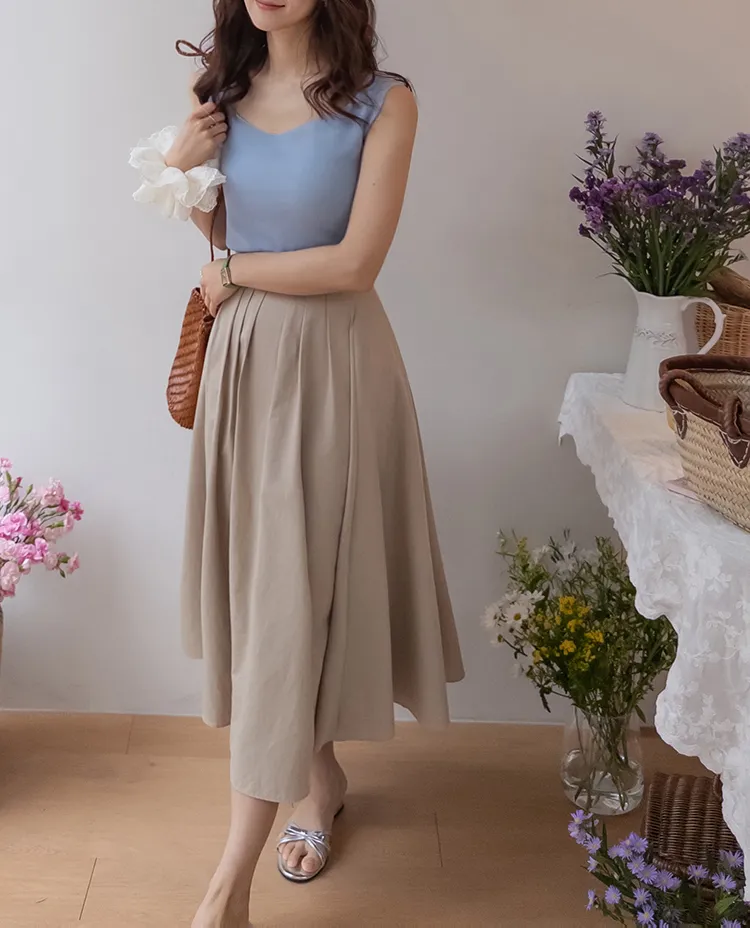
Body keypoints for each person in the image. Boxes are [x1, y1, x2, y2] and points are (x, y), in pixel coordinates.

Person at [135, 1, 465, 925]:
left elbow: (355, 264)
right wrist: (183, 162)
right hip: (243, 366)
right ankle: (320, 785)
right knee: (272, 600)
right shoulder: (219, 93)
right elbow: (220, 234)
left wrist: (235, 273)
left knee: (293, 598)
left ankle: (225, 889)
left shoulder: (384, 102)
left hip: (336, 370)